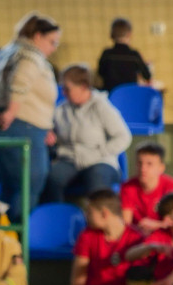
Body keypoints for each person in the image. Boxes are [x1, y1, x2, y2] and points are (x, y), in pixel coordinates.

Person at [0, 12, 60, 221]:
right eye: (51, 42)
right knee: (29, 185)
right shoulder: (31, 55)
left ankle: (3, 241)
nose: (54, 48)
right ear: (37, 37)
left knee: (11, 186)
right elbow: (20, 81)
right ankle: (18, 244)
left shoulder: (8, 50)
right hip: (19, 125)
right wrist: (12, 112)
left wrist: (46, 125)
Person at [45, 64, 132, 203]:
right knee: (52, 178)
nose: (64, 93)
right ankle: (56, 218)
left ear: (83, 87)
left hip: (100, 160)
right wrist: (51, 139)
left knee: (97, 180)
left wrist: (98, 153)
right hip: (69, 160)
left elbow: (123, 137)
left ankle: (100, 222)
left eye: (68, 89)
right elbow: (52, 136)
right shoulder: (60, 110)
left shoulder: (102, 107)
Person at [118, 142, 173, 234]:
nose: (143, 168)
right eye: (140, 163)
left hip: (165, 236)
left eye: (149, 164)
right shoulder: (127, 187)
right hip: (138, 237)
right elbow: (126, 223)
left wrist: (156, 225)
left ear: (161, 167)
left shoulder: (172, 187)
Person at [96, 18, 152, 93]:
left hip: (111, 95)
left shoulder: (106, 54)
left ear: (112, 35)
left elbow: (100, 73)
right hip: (130, 96)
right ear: (129, 34)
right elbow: (147, 75)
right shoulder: (134, 55)